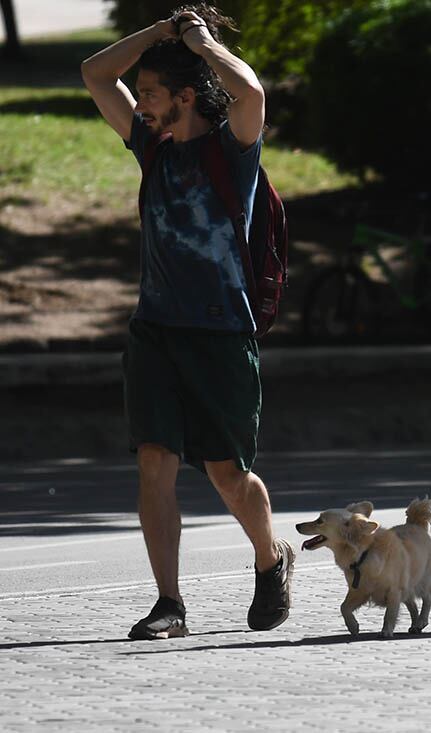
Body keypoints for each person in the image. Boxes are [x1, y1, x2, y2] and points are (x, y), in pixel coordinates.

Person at [81, 4, 293, 640]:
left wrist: (202, 47)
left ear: (183, 97)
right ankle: (169, 603)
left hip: (222, 335)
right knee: (155, 460)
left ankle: (269, 556)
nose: (140, 103)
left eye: (150, 94)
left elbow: (250, 90)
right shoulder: (153, 150)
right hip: (155, 332)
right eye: (140, 94)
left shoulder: (233, 154)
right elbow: (94, 75)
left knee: (229, 474)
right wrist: (157, 34)